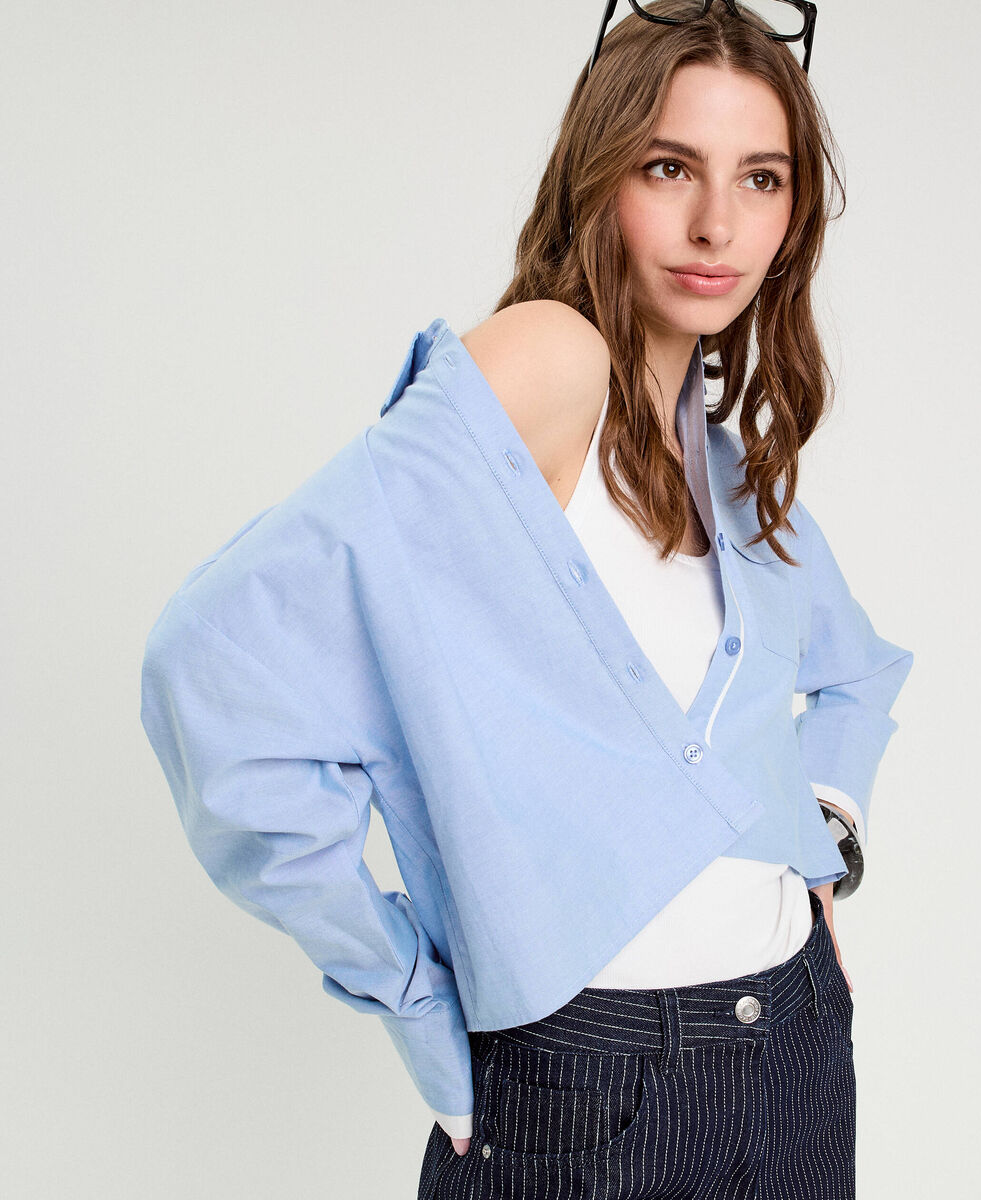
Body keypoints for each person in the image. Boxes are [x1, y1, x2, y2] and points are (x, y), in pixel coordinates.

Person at [139, 2, 913, 1196]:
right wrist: (409, 991)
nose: (717, 223)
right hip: (579, 1089)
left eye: (760, 178)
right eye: (670, 167)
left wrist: (821, 836)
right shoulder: (550, 363)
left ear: (793, 214)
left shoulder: (727, 466)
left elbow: (856, 674)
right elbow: (210, 671)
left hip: (794, 1053)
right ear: (598, 178)